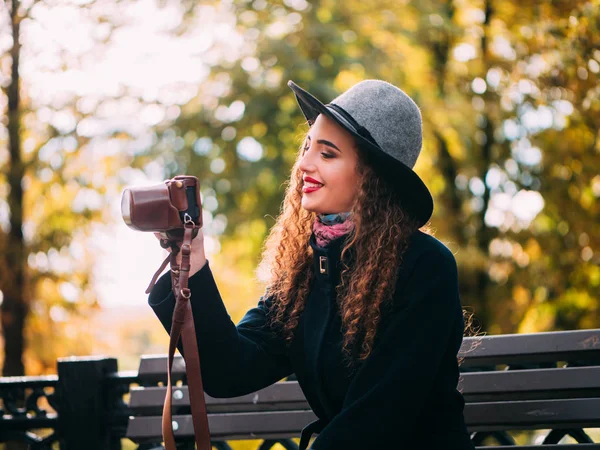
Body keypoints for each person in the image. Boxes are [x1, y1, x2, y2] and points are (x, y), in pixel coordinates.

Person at [149, 79, 475, 450]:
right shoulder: (307, 271)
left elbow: (378, 418)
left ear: (373, 177)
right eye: (307, 147)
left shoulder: (426, 266)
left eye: (328, 153)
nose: (304, 163)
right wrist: (191, 258)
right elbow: (230, 371)